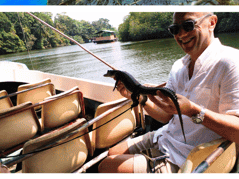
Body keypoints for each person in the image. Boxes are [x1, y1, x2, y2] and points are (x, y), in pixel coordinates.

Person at [99, 12, 239, 173]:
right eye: (174, 29)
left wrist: (194, 110)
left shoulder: (231, 62)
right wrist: (138, 98)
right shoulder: (178, 66)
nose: (181, 34)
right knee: (112, 153)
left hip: (188, 157)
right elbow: (165, 116)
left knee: (106, 166)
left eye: (188, 25)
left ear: (212, 22)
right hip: (165, 136)